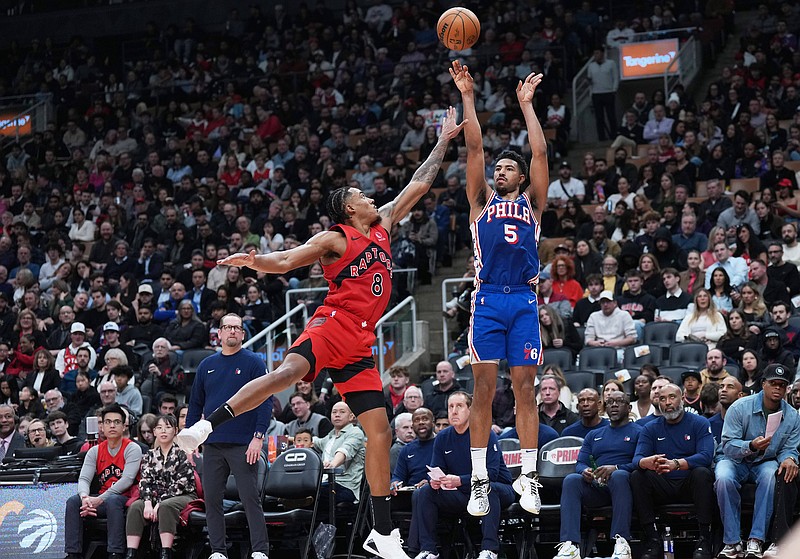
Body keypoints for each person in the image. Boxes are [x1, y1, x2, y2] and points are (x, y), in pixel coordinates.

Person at [175, 107, 466, 559]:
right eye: (362, 195)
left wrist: (445, 138)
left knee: (380, 431)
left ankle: (383, 533)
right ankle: (206, 426)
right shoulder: (336, 238)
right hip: (332, 324)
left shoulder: (383, 226)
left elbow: (420, 183)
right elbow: (290, 259)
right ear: (350, 207)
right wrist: (255, 260)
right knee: (285, 374)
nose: (371, 197)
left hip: (361, 343)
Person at [449, 63, 549, 517]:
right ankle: (480, 481)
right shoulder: (479, 202)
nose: (502, 171)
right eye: (500, 167)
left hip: (524, 301)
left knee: (525, 389)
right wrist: (468, 97)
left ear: (522, 179)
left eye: (510, 167)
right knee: (483, 391)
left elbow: (541, 155)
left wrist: (527, 106)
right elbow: (474, 148)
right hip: (488, 301)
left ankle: (528, 477)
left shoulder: (533, 204)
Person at [182, 313, 272, 559]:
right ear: (219, 333)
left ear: (242, 334)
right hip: (212, 444)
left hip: (244, 443)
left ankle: (260, 551)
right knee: (211, 499)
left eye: (237, 328)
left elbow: (265, 400)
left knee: (250, 498)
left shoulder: (254, 362)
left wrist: (259, 436)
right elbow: (195, 404)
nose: (232, 331)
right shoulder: (206, 365)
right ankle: (218, 551)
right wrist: (191, 442)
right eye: (227, 327)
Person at [408, 392, 515, 559]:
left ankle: (489, 550)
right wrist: (435, 481)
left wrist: (460, 480)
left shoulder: (484, 433)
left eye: (459, 406)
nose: (454, 411)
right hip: (462, 493)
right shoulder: (443, 437)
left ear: (470, 410)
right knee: (424, 492)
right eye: (451, 407)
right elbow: (436, 468)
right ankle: (428, 549)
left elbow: (492, 474)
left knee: (487, 488)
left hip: (498, 490)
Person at [715, 364, 800, 559]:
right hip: (734, 460)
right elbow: (727, 445)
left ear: (787, 388)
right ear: (763, 384)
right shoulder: (739, 407)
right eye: (773, 383)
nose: (777, 388)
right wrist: (751, 446)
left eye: (782, 385)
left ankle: (756, 540)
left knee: (772, 475)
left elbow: (790, 447)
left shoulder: (793, 416)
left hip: (766, 461)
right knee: (723, 477)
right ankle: (732, 542)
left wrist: (789, 458)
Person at [630, 384, 715, 559]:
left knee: (702, 473)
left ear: (682, 398)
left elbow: (706, 456)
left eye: (672, 397)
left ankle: (704, 539)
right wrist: (645, 462)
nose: (667, 402)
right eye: (662, 399)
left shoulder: (699, 422)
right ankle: (653, 540)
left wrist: (677, 464)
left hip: (689, 485)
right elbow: (636, 459)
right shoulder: (650, 428)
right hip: (663, 485)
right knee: (637, 475)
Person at [554, 391, 641, 559]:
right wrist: (584, 471)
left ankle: (621, 542)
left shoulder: (639, 432)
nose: (614, 405)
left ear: (629, 407)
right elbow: (580, 463)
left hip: (626, 488)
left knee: (619, 476)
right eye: (610, 402)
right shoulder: (594, 435)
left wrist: (616, 467)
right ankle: (570, 545)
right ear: (604, 407)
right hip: (598, 488)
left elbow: (640, 462)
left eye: (619, 402)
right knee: (572, 480)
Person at [64, 403, 144, 559]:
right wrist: (85, 498)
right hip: (101, 500)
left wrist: (98, 500)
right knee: (73, 502)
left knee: (114, 500)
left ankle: (115, 552)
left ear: (124, 426)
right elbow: (84, 478)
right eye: (108, 422)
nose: (112, 426)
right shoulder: (94, 450)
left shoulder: (132, 448)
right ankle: (73, 553)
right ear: (102, 426)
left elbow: (127, 480)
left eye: (116, 422)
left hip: (126, 499)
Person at [124, 413, 197, 559]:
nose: (163, 431)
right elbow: (145, 481)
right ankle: (131, 552)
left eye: (168, 427)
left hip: (182, 495)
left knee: (166, 506)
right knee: (136, 507)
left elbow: (181, 484)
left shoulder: (183, 453)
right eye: (159, 427)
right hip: (155, 496)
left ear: (175, 430)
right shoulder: (149, 455)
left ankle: (166, 552)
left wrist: (159, 503)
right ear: (155, 432)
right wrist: (148, 503)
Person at [391, 408, 436, 491]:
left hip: (435, 491)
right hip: (410, 493)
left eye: (425, 419)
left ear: (433, 423)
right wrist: (395, 482)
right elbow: (398, 476)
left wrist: (430, 482)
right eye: (416, 420)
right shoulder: (406, 450)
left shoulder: (442, 444)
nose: (421, 422)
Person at [708, 376, 744, 443]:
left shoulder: (745, 424)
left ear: (740, 395)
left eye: (730, 387)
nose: (724, 390)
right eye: (721, 387)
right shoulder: (709, 424)